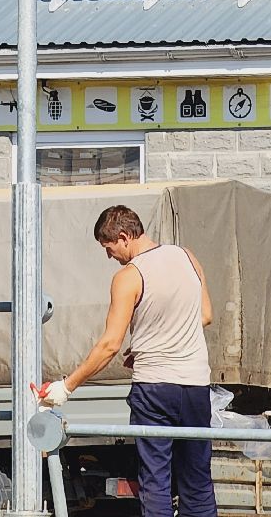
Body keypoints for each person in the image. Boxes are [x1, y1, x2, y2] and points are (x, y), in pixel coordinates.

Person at [36, 205, 217, 517]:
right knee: (197, 481)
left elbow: (109, 345)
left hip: (155, 390)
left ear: (123, 237)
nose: (109, 257)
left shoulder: (129, 277)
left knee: (156, 481)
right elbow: (205, 316)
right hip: (196, 385)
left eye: (109, 248)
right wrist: (154, 341)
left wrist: (65, 387)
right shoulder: (188, 257)